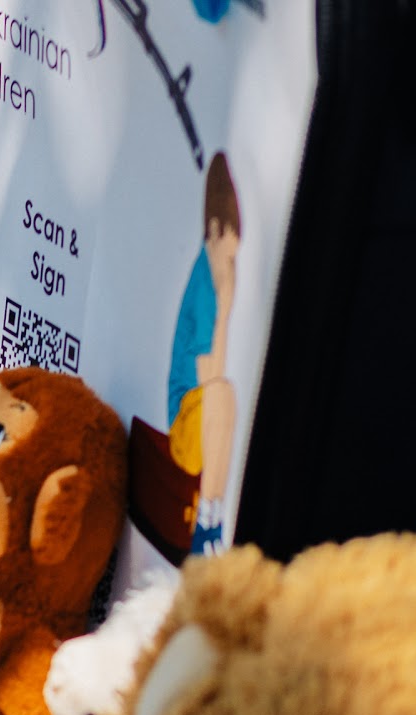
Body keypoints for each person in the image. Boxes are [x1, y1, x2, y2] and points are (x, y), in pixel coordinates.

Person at [165, 152, 241, 556]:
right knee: (220, 393)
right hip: (185, 424)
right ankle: (206, 524)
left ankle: (210, 519)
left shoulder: (214, 285)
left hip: (199, 414)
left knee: (223, 393)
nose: (232, 264)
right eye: (229, 253)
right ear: (213, 231)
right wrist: (224, 307)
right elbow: (206, 372)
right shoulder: (203, 289)